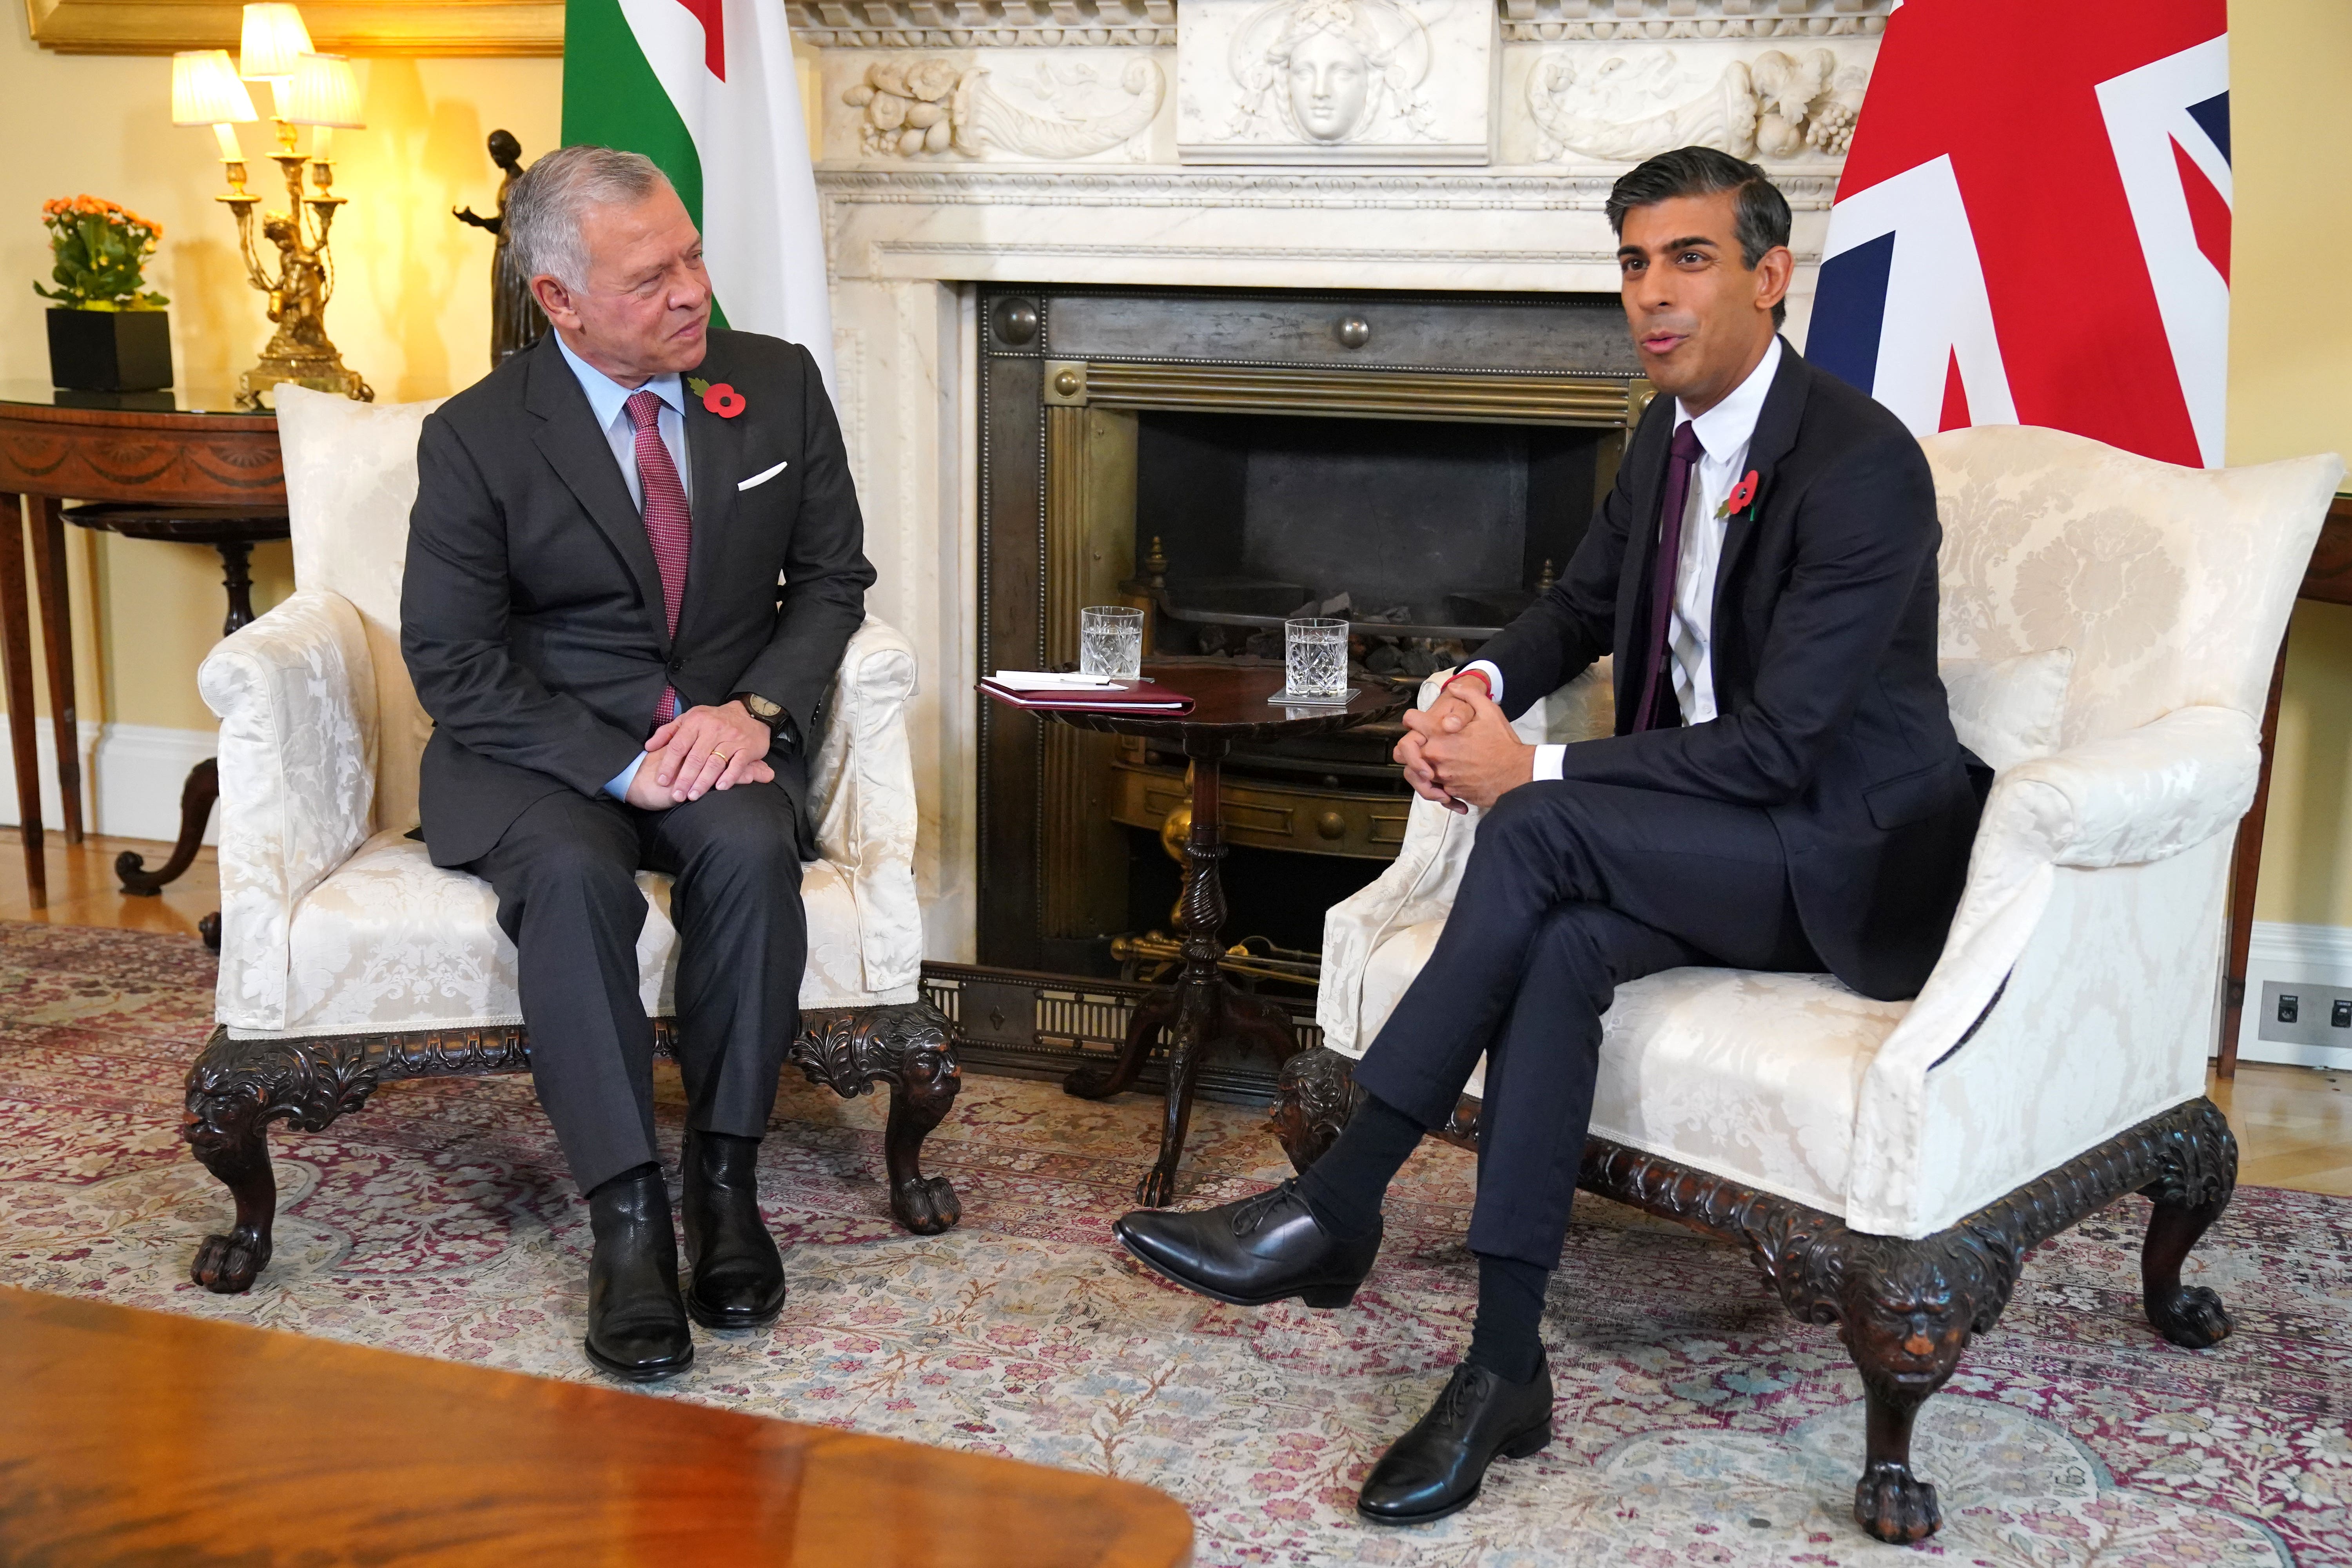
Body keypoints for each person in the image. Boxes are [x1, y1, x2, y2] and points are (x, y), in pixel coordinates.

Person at [1113, 145, 1982, 1524]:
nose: (1653, 295)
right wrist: (1469, 695)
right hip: (1704, 832)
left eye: (1688, 260)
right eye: (1633, 263)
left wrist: (1534, 765)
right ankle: (1505, 1366)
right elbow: (1576, 609)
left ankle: (1339, 1200)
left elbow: (1785, 746)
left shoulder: (1862, 467)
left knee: (1534, 830)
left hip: (1839, 853)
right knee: (1563, 942)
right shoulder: (1664, 437)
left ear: (1771, 278)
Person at [402, 145, 875, 1381]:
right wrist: (623, 769)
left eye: (694, 257)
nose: (691, 296)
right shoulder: (476, 439)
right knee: (567, 878)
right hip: (545, 754)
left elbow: (832, 582)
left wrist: (757, 710)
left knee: (755, 845)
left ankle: (726, 1185)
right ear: (558, 299)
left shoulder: (775, 386)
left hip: (720, 730)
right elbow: (453, 666)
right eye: (650, 276)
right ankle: (625, 1217)